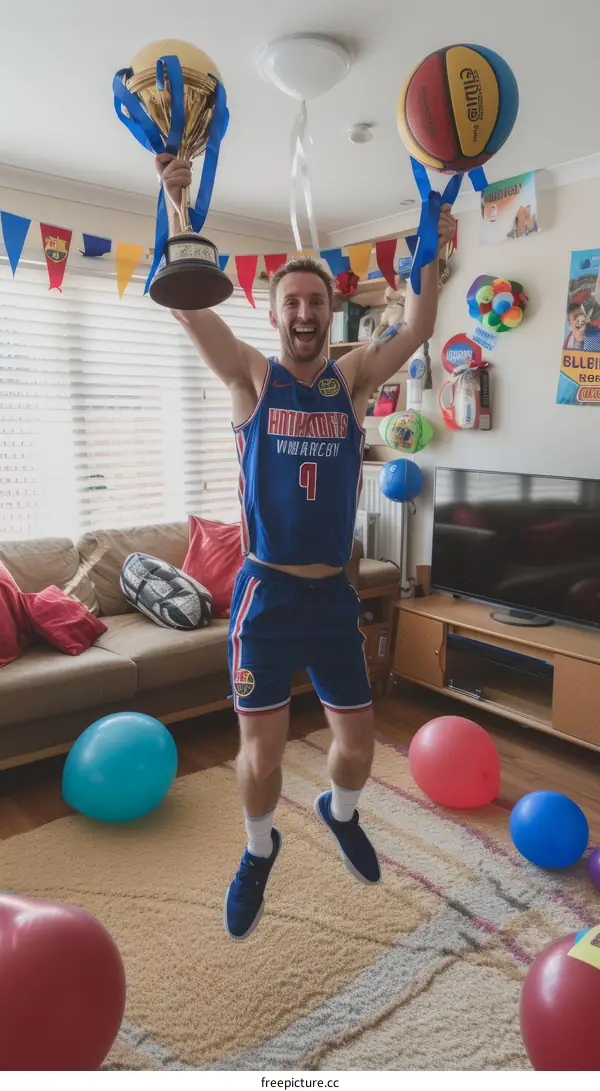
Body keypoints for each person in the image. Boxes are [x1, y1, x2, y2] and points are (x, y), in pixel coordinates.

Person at [157, 152, 456, 941]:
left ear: (331, 310)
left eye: (316, 301)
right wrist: (175, 203)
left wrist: (432, 256)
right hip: (267, 595)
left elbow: (421, 325)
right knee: (260, 756)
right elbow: (188, 307)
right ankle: (259, 850)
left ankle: (338, 809)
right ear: (276, 310)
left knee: (356, 748)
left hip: (333, 595)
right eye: (291, 299)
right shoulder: (251, 379)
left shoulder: (353, 380)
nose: (303, 311)